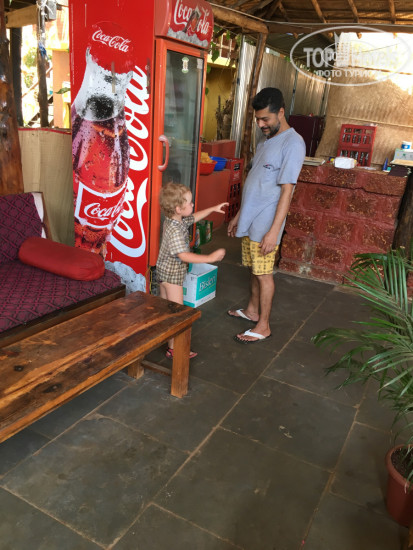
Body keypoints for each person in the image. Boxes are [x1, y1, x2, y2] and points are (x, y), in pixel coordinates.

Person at [227, 87, 306, 344]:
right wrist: (239, 215)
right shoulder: (265, 140)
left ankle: (263, 326)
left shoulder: (293, 143)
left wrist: (274, 231)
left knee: (263, 274)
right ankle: (252, 311)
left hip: (266, 223)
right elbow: (257, 182)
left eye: (266, 119)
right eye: (258, 119)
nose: (261, 124)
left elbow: (287, 191)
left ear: (280, 112)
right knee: (253, 269)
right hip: (251, 218)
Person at [156, 182, 227, 358]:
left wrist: (213, 208)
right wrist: (210, 258)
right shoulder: (175, 230)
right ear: (178, 209)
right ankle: (174, 349)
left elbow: (193, 217)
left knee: (166, 311)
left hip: (163, 273)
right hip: (172, 277)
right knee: (178, 314)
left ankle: (166, 340)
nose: (193, 204)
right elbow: (184, 256)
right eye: (189, 202)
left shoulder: (175, 220)